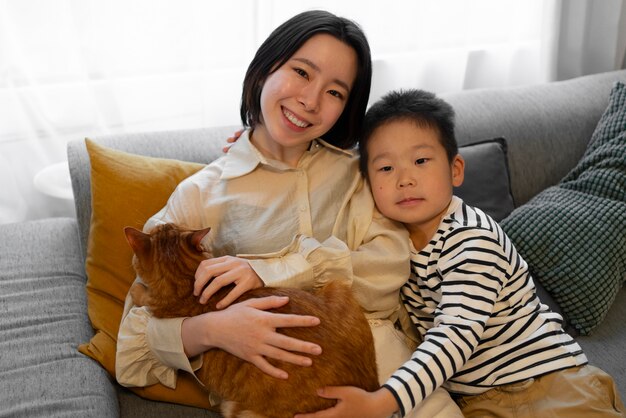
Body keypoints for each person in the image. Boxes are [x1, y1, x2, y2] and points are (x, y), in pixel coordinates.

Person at [115, 11, 461, 418]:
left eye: (335, 92)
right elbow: (131, 351)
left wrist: (274, 271)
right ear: (264, 70)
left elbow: (388, 270)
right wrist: (212, 330)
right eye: (301, 72)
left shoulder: (357, 174)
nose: (311, 101)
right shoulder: (199, 197)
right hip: (272, 394)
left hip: (392, 379)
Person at [294, 88, 626, 418]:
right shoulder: (392, 244)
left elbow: (454, 335)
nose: (405, 179)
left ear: (455, 170)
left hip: (547, 385)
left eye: (421, 161)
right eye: (385, 169)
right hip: (476, 400)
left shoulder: (471, 240)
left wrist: (382, 401)